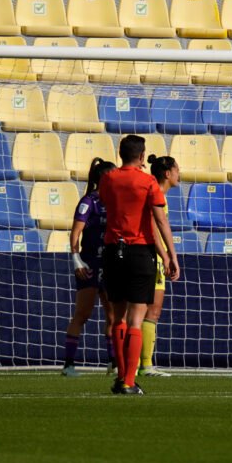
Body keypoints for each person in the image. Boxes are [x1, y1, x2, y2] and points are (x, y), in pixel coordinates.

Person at [100, 135, 180, 395]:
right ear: (142, 156)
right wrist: (171, 256)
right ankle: (128, 382)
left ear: (120, 153)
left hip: (113, 251)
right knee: (136, 318)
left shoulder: (108, 179)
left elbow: (108, 205)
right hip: (139, 252)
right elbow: (160, 221)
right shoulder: (147, 182)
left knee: (119, 318)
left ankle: (122, 376)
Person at [61, 158, 116, 377]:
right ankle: (69, 365)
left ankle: (113, 363)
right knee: (82, 314)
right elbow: (75, 233)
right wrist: (76, 260)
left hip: (110, 264)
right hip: (89, 264)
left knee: (112, 316)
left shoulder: (116, 201)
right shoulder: (89, 201)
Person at [139, 154, 181, 378]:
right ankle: (144, 364)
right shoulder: (156, 195)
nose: (179, 174)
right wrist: (166, 256)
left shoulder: (154, 192)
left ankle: (136, 363)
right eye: (176, 170)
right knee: (149, 312)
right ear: (167, 173)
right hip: (151, 257)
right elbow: (153, 229)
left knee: (141, 312)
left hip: (147, 255)